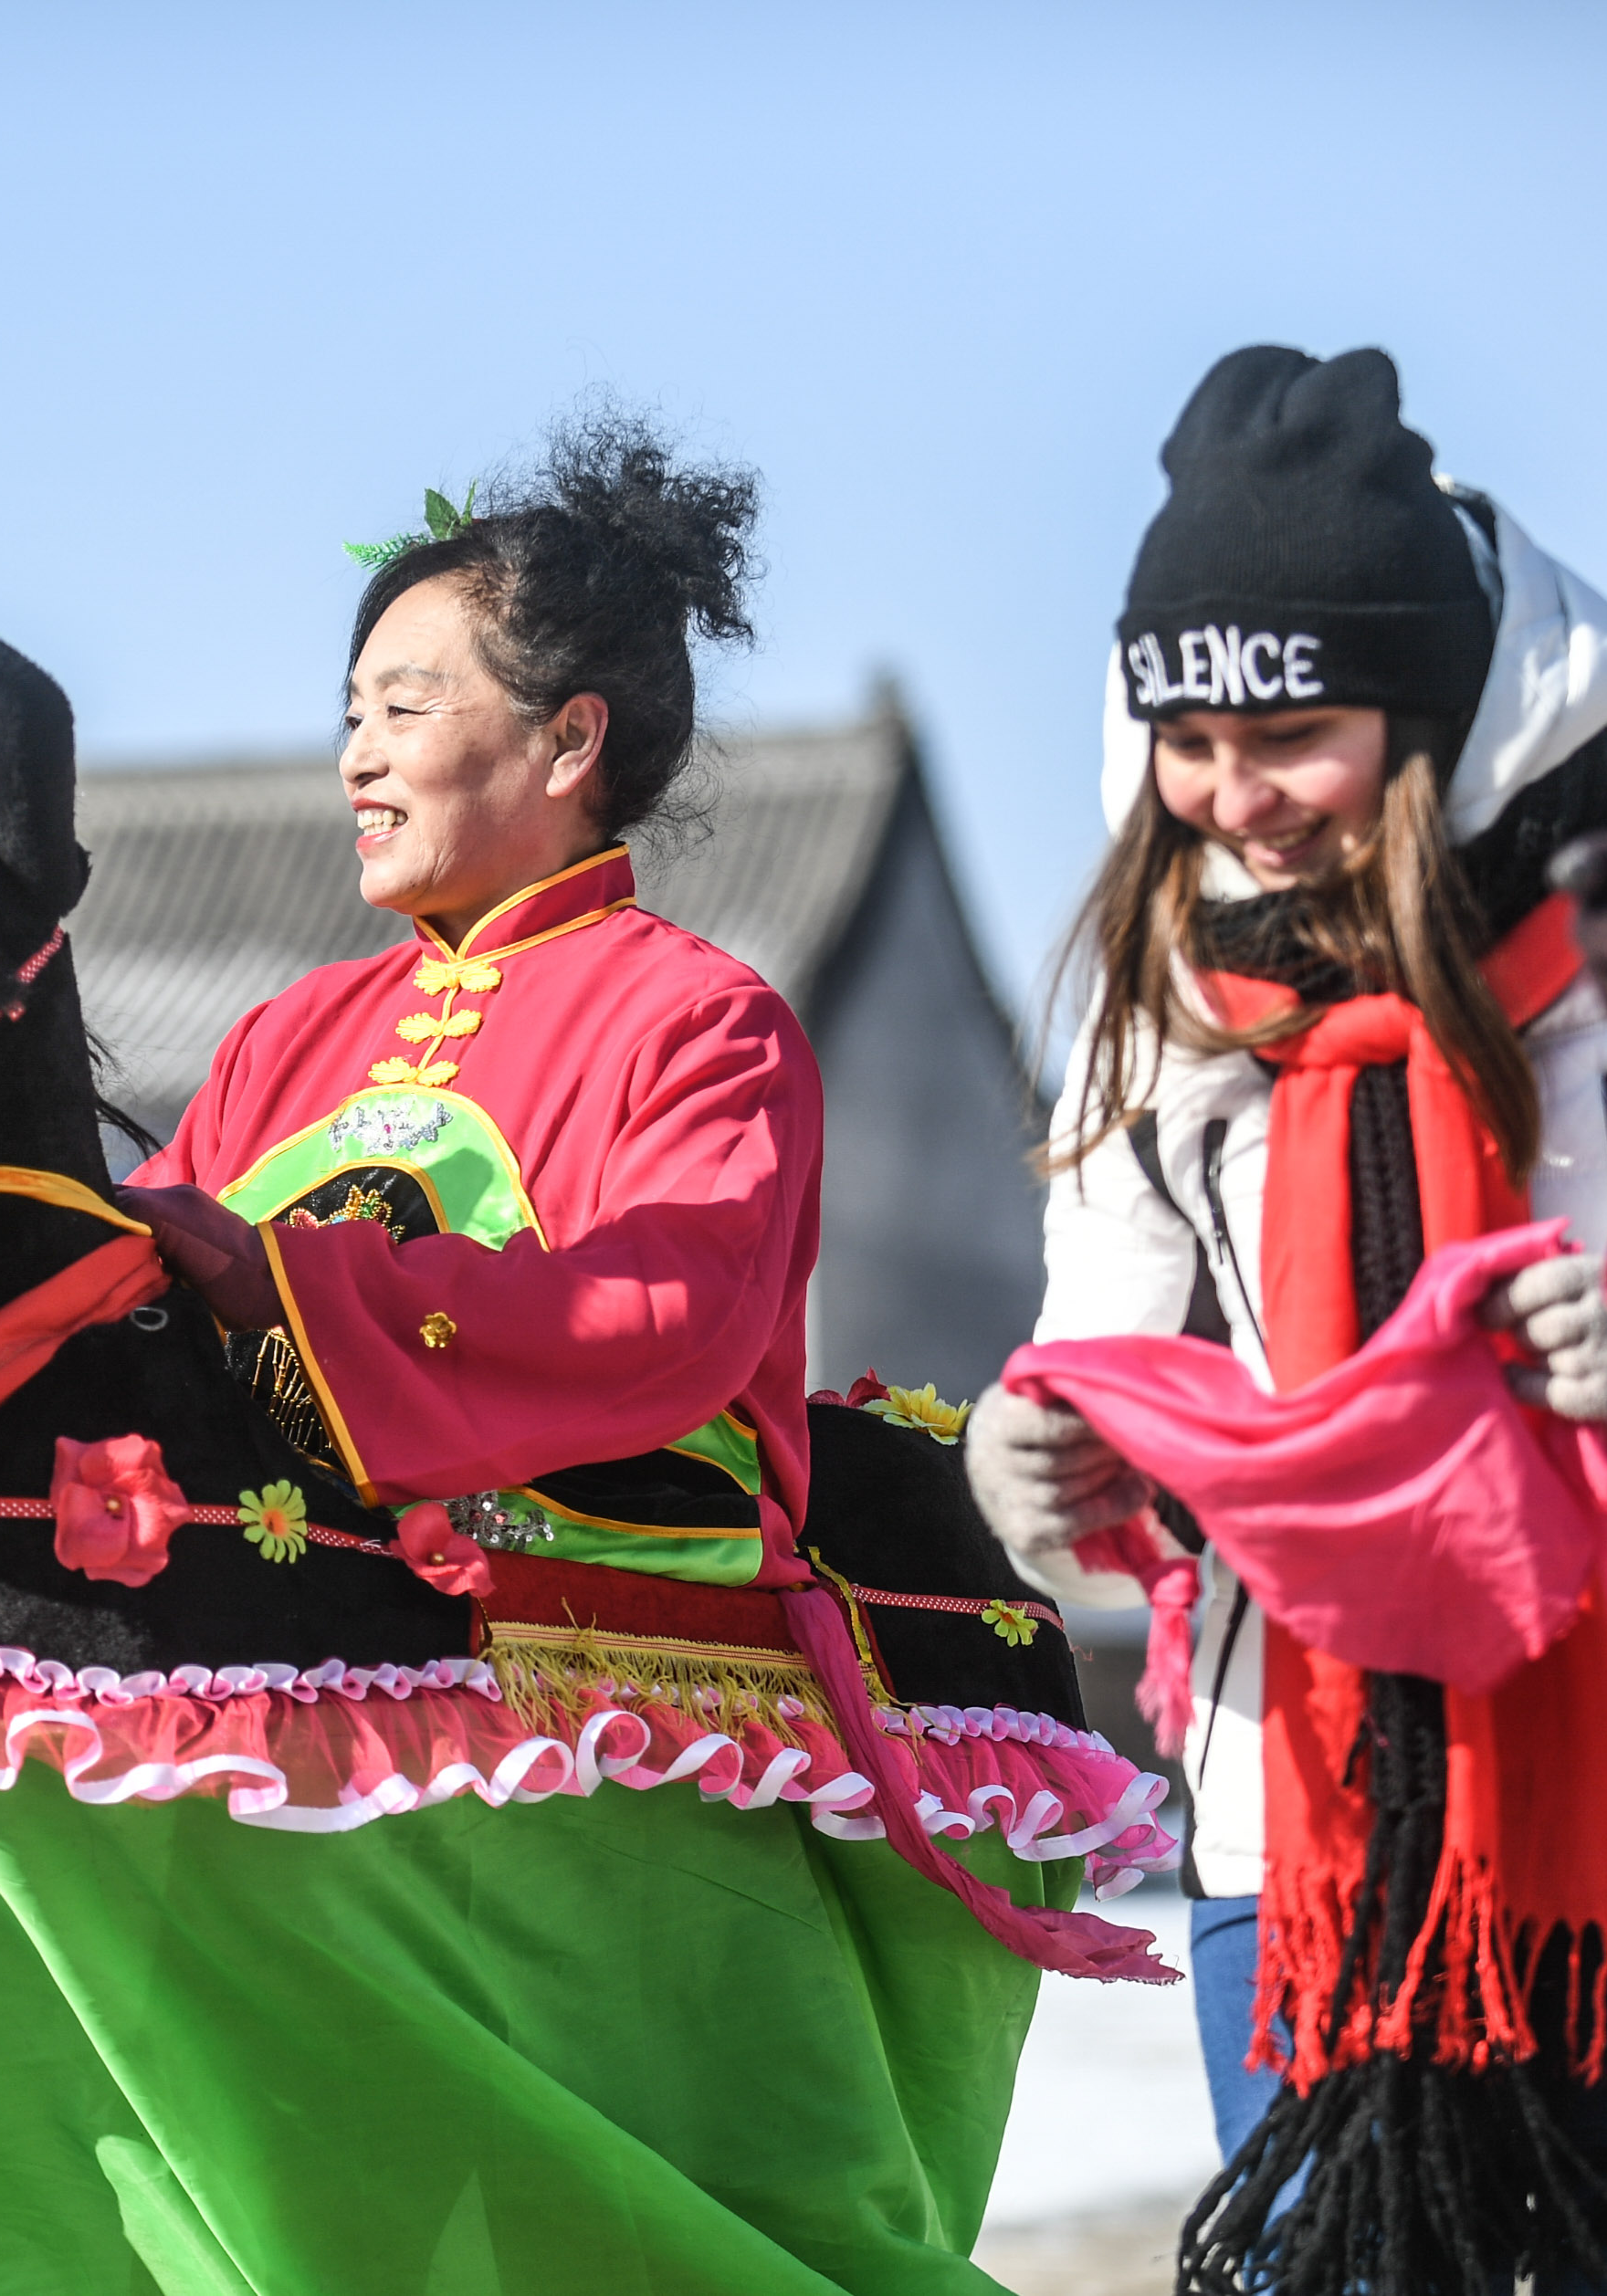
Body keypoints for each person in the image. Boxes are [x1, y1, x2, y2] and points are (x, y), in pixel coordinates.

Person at [103, 413, 1108, 2289]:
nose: (353, 751)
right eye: (348, 707)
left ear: (567, 743)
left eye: (404, 705)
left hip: (611, 1723)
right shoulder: (278, 1041)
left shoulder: (699, 1023)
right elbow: (135, 1290)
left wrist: (293, 1288)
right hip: (313, 1697)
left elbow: (661, 1325)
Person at [970, 346, 1607, 2296]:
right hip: (1290, 1835)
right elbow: (1096, 1371)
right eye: (1182, 742)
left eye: (1288, 736)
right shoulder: (1145, 1004)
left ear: (1432, 709)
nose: (1227, 799)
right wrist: (1027, 1464)